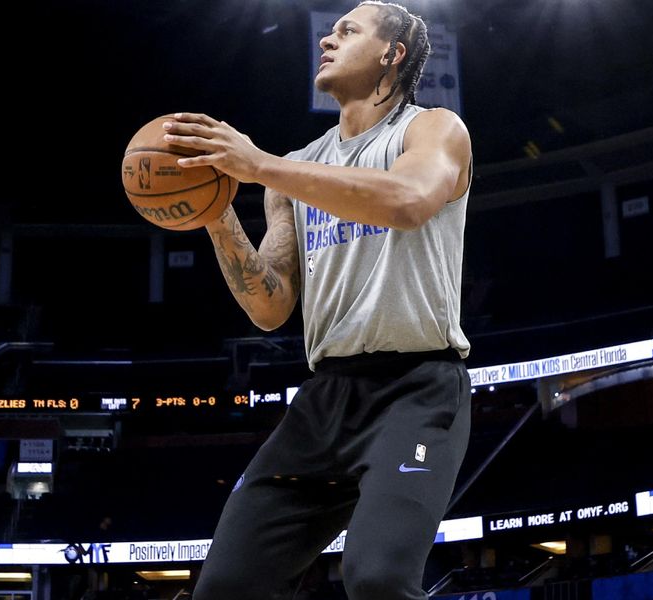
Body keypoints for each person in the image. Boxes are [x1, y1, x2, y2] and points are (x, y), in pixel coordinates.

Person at [162, 2, 472, 598]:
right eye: (330, 30)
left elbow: (407, 201)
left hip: (417, 389)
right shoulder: (296, 168)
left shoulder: (432, 128)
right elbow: (270, 306)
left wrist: (261, 166)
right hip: (325, 397)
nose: (328, 40)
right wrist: (216, 210)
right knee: (225, 587)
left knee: (378, 578)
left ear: (393, 53)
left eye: (348, 30)